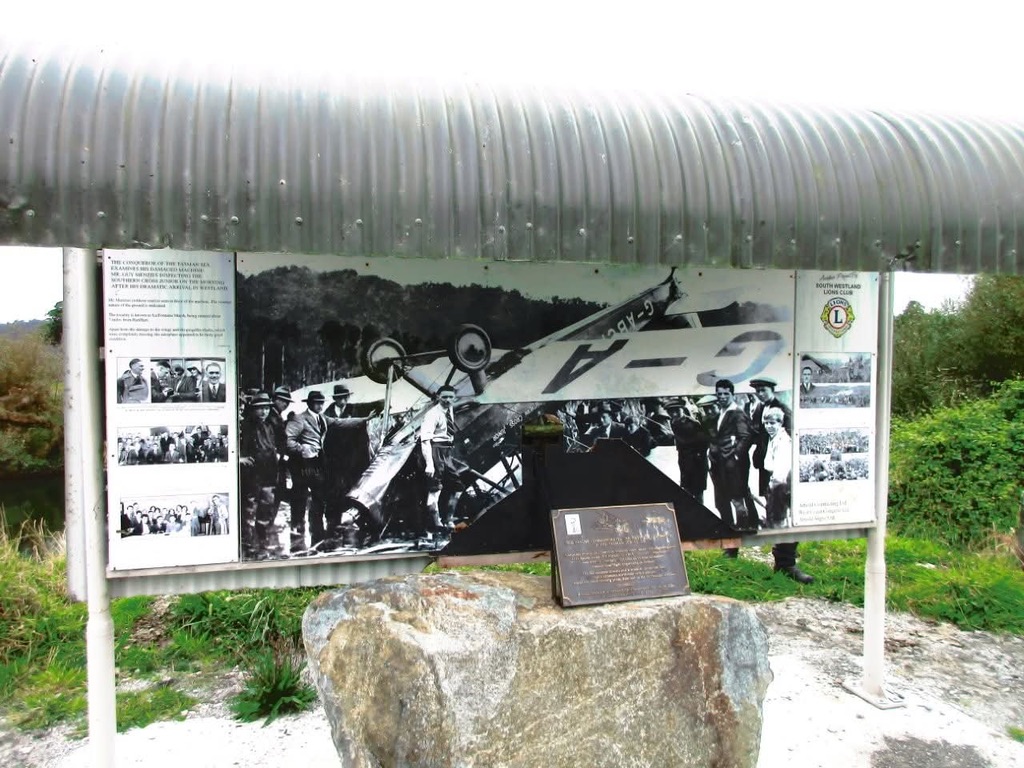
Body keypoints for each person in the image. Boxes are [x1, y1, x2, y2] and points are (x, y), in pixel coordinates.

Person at [285, 390, 337, 551]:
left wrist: (365, 419)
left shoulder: (322, 418)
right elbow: (288, 441)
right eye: (317, 403)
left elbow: (340, 422)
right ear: (309, 403)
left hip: (317, 464)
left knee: (318, 500)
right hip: (301, 465)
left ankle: (318, 539)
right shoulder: (299, 418)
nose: (320, 406)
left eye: (322, 403)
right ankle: (297, 543)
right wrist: (303, 449)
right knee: (299, 502)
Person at [708, 379, 755, 530]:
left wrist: (735, 456)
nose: (722, 397)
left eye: (726, 394)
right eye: (719, 394)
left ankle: (742, 530)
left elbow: (745, 437)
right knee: (722, 500)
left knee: (737, 500)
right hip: (720, 465)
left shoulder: (737, 413)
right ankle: (729, 529)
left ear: (732, 395)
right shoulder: (721, 413)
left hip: (734, 466)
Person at [240, 392, 281, 558]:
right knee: (249, 512)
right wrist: (240, 458)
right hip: (252, 475)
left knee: (265, 510)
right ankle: (248, 547)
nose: (264, 412)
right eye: (260, 408)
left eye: (266, 408)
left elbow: (277, 444)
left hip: (269, 475)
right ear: (253, 409)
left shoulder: (270, 425)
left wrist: (278, 456)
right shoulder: (245, 426)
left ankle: (263, 545)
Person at [419, 385, 464, 534]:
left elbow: (456, 405)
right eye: (444, 397)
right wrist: (429, 464)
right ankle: (436, 524)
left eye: (451, 397)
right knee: (435, 489)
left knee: (458, 487)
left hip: (447, 451)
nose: (448, 400)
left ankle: (449, 519)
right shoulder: (432, 415)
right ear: (438, 397)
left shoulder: (449, 408)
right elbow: (425, 441)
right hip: (435, 450)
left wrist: (471, 401)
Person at [749, 376, 793, 498]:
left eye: (763, 390)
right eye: (757, 391)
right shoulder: (759, 408)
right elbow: (756, 431)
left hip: (777, 460)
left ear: (772, 390)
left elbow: (790, 434)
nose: (760, 394)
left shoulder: (782, 409)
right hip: (764, 458)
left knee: (778, 496)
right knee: (766, 495)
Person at [671, 398, 711, 499]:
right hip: (684, 462)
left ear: (682, 409)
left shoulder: (693, 423)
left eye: (677, 410)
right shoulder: (674, 423)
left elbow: (704, 442)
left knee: (698, 494)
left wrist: (698, 456)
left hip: (697, 463)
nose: (674, 414)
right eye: (671, 411)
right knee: (687, 492)